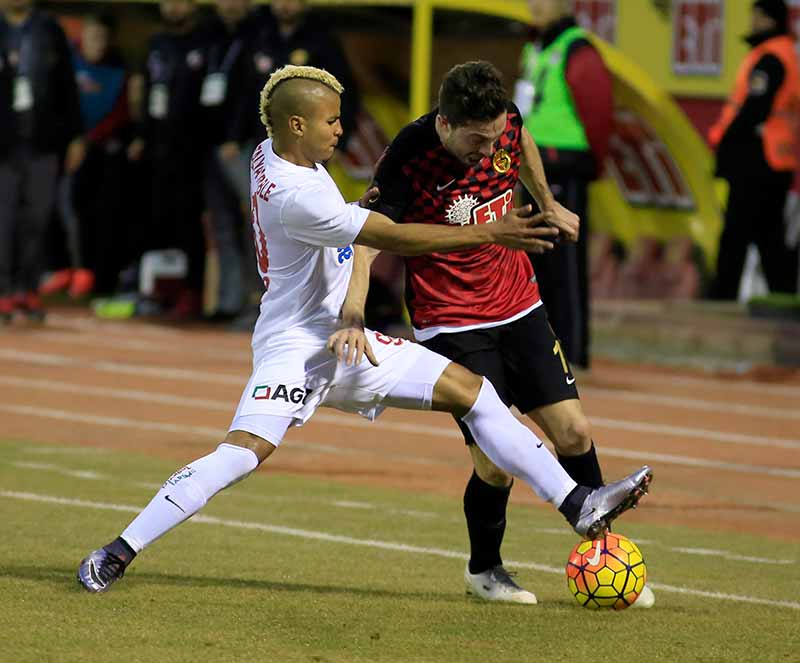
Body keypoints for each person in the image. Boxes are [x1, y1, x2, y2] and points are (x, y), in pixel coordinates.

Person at [77, 65, 652, 594]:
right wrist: (489, 233)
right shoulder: (297, 196)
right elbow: (389, 238)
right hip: (297, 345)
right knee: (243, 453)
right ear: (297, 125)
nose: (341, 130)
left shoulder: (276, 152)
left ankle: (577, 504)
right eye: (330, 120)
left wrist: (354, 308)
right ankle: (117, 551)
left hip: (350, 343)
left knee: (475, 394)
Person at [343, 60, 654, 607]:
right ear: (445, 123)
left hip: (519, 303)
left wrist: (550, 202)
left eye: (493, 140)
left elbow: (522, 138)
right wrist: (354, 308)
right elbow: (370, 237)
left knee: (575, 433)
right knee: (495, 460)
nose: (488, 153)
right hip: (449, 319)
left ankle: (604, 556)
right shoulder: (409, 157)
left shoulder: (503, 121)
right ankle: (484, 570)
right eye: (475, 142)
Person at [515, 0, 613, 369]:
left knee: (567, 267)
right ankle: (545, 350)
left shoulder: (577, 49)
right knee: (536, 261)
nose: (537, 3)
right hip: (532, 167)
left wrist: (591, 162)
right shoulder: (534, 48)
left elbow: (599, 111)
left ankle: (573, 351)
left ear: (562, 1)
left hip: (565, 166)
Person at [0, 0, 85, 324]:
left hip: (43, 142)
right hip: (2, 144)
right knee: (2, 220)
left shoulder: (49, 31)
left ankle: (27, 290)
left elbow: (68, 85)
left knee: (37, 219)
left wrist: (76, 136)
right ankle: (3, 292)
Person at [708, 0, 800, 299]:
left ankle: (722, 298)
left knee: (737, 234)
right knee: (769, 237)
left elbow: (753, 110)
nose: (753, 23)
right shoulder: (783, 53)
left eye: (758, 16)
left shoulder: (771, 58)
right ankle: (784, 296)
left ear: (770, 20)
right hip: (774, 162)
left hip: (758, 159)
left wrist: (726, 142)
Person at [127, 0, 207, 318]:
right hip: (158, 145)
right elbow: (143, 88)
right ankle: (158, 290)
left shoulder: (204, 43)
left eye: (180, 0)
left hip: (193, 146)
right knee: (158, 217)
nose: (174, 7)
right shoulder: (156, 44)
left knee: (190, 220)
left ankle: (193, 291)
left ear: (191, 4)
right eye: (169, 1)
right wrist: (141, 133)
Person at [41, 13, 131, 299]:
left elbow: (120, 113)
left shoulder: (118, 69)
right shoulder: (65, 63)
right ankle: (61, 267)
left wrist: (88, 140)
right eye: (92, 36)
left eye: (102, 37)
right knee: (55, 207)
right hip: (61, 147)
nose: (97, 43)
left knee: (87, 212)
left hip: (99, 153)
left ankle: (86, 271)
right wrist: (68, 140)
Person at [201, 0, 261, 321]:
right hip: (211, 147)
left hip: (245, 146)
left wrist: (238, 137)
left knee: (257, 222)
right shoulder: (210, 37)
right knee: (220, 223)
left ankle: (258, 301)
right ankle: (228, 300)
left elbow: (256, 94)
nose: (230, 3)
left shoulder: (258, 36)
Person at [250, 0, 360, 147]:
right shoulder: (260, 38)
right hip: (264, 138)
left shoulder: (321, 41)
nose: (284, 4)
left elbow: (343, 91)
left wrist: (340, 140)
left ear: (304, 2)